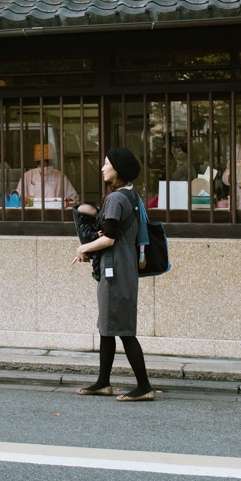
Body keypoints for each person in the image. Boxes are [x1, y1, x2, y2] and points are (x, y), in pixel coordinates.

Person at [71, 146, 154, 402]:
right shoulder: (131, 196)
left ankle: (144, 387)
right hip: (122, 266)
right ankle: (103, 382)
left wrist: (83, 247)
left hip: (115, 270)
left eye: (107, 164)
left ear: (118, 170)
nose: (103, 168)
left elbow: (109, 238)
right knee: (107, 327)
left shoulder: (116, 198)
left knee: (124, 329)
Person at [72, 202, 101, 282]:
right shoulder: (84, 225)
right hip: (90, 246)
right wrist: (96, 235)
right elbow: (87, 234)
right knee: (96, 260)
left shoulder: (91, 223)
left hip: (94, 245)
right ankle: (97, 273)